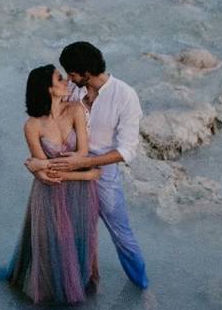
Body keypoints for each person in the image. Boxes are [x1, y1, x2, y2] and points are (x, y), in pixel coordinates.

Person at [26, 42, 149, 289]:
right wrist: (33, 163)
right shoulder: (71, 89)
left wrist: (86, 163)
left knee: (121, 234)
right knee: (73, 233)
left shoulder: (125, 95)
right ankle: (79, 283)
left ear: (86, 72)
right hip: (65, 168)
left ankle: (142, 286)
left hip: (102, 173)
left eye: (71, 73)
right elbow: (46, 120)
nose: (68, 78)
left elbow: (127, 150)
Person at [8, 64, 101, 305]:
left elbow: (82, 154)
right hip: (50, 193)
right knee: (52, 241)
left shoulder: (76, 111)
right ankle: (48, 296)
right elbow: (44, 175)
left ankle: (78, 285)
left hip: (81, 193)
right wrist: (85, 176)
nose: (66, 81)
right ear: (48, 89)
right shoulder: (32, 125)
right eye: (59, 79)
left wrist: (40, 165)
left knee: (80, 236)